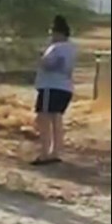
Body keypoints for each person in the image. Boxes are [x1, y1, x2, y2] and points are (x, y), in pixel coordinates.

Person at [32, 15, 76, 166]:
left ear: (57, 32)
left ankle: (45, 153)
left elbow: (49, 65)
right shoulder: (71, 47)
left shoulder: (56, 48)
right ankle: (55, 151)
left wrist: (40, 58)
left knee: (44, 118)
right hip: (65, 87)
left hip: (51, 86)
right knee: (57, 119)